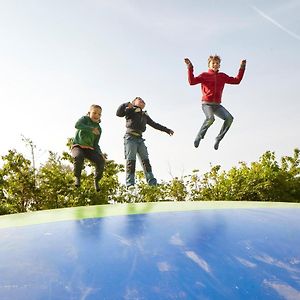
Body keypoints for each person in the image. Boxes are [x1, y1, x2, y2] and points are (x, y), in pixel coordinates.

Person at [184, 55, 246, 150]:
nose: (215, 65)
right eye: (213, 63)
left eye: (217, 63)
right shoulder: (204, 75)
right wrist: (190, 67)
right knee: (211, 119)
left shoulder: (222, 76)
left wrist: (242, 67)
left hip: (217, 105)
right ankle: (199, 136)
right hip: (206, 104)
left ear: (219, 65)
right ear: (209, 65)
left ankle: (218, 138)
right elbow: (191, 82)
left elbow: (237, 81)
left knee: (229, 118)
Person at [116, 97, 174, 188]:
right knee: (131, 160)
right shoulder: (130, 110)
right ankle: (130, 183)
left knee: (145, 161)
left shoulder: (144, 115)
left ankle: (152, 182)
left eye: (143, 101)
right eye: (140, 100)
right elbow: (118, 113)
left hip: (140, 139)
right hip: (130, 138)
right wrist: (126, 104)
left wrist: (167, 130)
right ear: (134, 102)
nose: (142, 101)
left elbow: (155, 125)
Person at [71, 104, 106, 191]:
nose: (96, 115)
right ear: (89, 113)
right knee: (78, 157)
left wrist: (100, 153)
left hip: (89, 149)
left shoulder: (98, 128)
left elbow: (96, 144)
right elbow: (77, 125)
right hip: (78, 146)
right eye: (94, 113)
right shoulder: (84, 119)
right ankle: (77, 178)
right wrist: (91, 129)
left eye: (99, 114)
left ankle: (96, 181)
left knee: (101, 161)